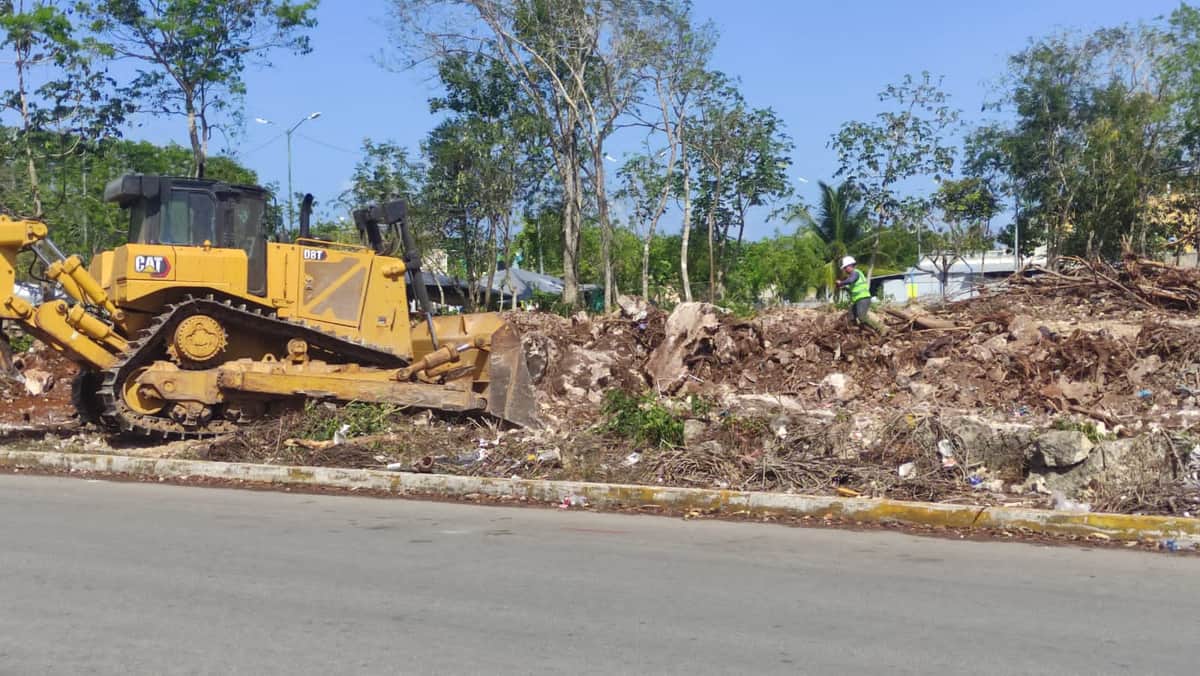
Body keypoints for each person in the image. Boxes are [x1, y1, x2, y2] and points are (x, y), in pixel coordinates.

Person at [836, 256, 887, 335]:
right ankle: (854, 334)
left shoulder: (855, 273)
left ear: (850, 266)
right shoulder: (852, 276)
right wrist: (844, 287)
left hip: (863, 298)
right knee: (850, 317)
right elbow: (851, 288)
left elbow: (850, 280)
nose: (845, 270)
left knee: (862, 317)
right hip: (858, 300)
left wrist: (841, 283)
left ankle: (881, 328)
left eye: (845, 268)